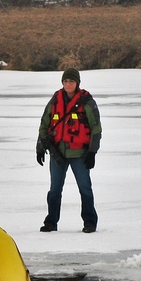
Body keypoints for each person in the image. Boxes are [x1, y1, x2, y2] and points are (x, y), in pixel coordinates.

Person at [36, 68, 101, 233]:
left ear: (77, 83)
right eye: (65, 81)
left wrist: (92, 152)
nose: (68, 84)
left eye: (71, 81)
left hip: (80, 154)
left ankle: (90, 223)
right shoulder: (55, 100)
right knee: (54, 190)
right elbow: (44, 125)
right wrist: (40, 148)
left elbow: (96, 128)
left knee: (85, 188)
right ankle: (51, 222)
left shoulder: (86, 101)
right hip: (57, 153)